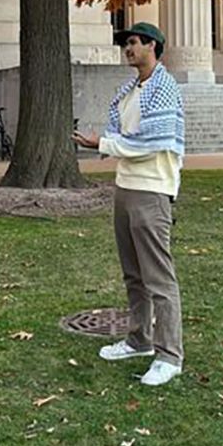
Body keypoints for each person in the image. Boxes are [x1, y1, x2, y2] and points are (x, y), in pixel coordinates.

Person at [73, 21, 185, 387]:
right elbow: (124, 135)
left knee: (158, 277)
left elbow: (154, 142)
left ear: (153, 45)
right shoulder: (130, 90)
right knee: (134, 274)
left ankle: (170, 355)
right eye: (126, 43)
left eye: (134, 42)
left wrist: (101, 144)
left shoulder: (164, 88)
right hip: (125, 186)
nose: (128, 48)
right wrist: (107, 142)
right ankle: (139, 340)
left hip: (151, 190)